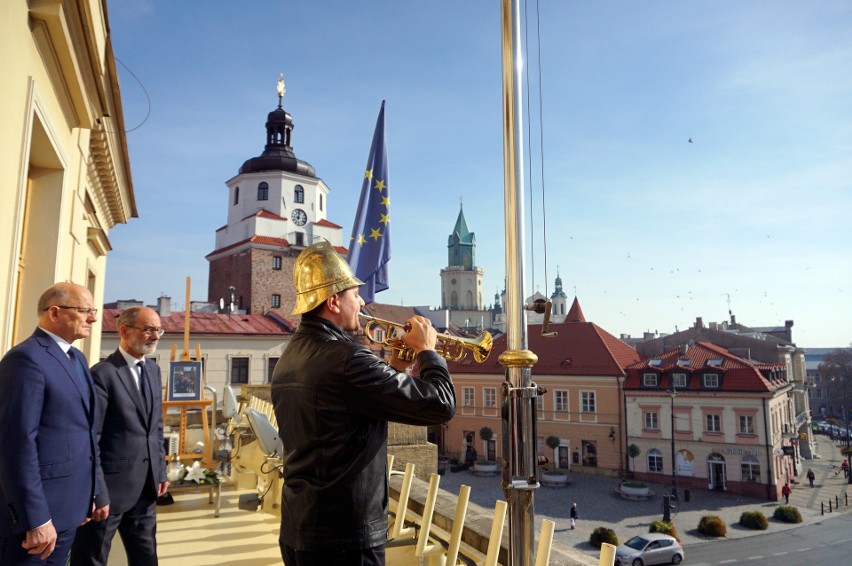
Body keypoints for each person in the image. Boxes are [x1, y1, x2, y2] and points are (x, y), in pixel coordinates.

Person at [271, 242, 456, 566]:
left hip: (299, 529)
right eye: (355, 295)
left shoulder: (290, 356)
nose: (361, 302)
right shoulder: (347, 358)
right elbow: (440, 405)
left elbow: (345, 413)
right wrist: (428, 351)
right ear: (333, 301)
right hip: (344, 538)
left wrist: (395, 369)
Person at [0, 282, 104, 565]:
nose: (93, 318)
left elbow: (86, 430)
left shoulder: (76, 358)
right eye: (85, 311)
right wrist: (36, 518)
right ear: (55, 313)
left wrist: (95, 492)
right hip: (37, 521)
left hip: (69, 510)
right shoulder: (26, 359)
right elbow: (16, 444)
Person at [70, 307, 169, 566]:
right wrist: (97, 492)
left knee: (146, 558)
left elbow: (155, 427)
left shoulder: (153, 371)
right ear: (124, 331)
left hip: (145, 489)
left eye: (158, 330)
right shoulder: (102, 373)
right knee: (92, 558)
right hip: (109, 493)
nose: (155, 336)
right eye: (148, 329)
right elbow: (92, 437)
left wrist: (161, 470)